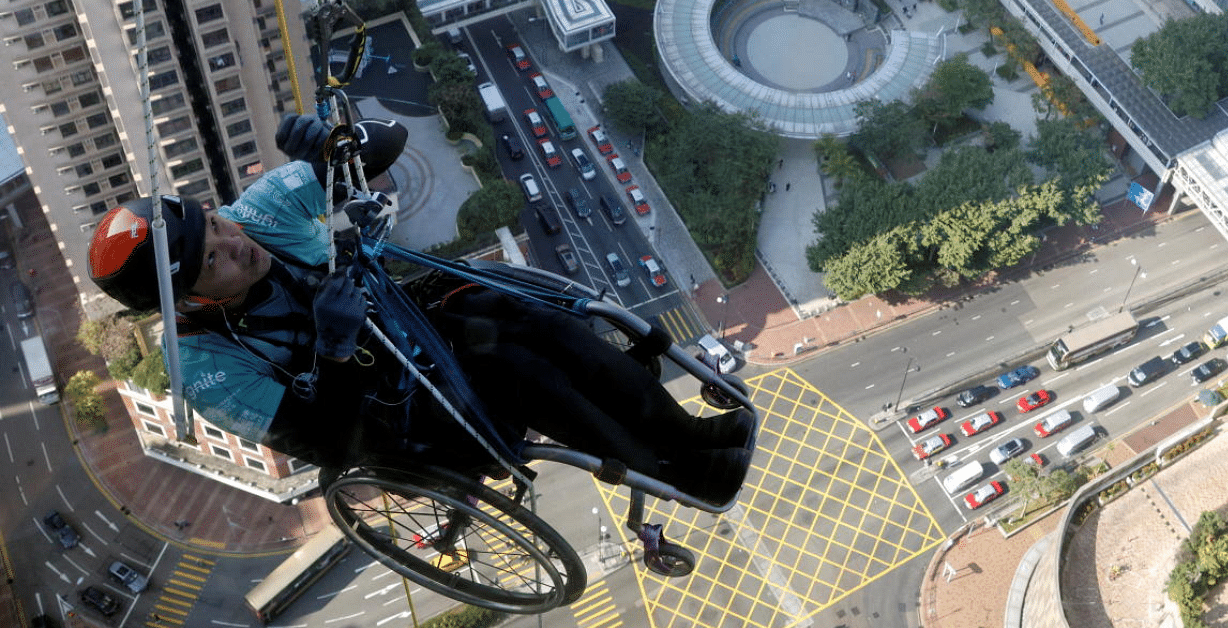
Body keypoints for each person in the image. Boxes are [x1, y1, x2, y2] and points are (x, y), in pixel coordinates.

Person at [87, 115, 752, 504]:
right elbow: (328, 444)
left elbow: (386, 143)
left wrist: (334, 143)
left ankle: (682, 435)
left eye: (215, 222)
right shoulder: (204, 368)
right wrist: (334, 351)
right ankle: (674, 473)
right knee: (520, 370)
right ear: (193, 300)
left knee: (543, 319)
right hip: (387, 418)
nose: (236, 241)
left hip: (411, 328)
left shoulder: (252, 216)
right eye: (214, 259)